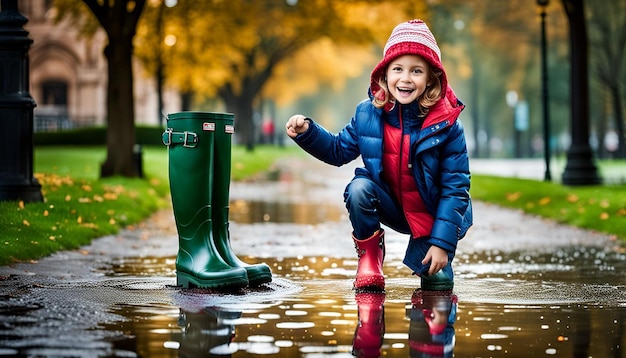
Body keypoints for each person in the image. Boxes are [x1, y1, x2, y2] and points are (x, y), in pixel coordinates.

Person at [285, 19, 472, 291]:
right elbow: (338, 150)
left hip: (431, 214)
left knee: (438, 286)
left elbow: (455, 190)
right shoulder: (368, 113)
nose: (405, 78)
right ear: (384, 74)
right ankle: (370, 258)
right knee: (359, 188)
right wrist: (307, 132)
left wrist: (442, 244)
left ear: (432, 77)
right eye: (398, 69)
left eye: (416, 71)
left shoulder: (447, 125)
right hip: (391, 203)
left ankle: (434, 259)